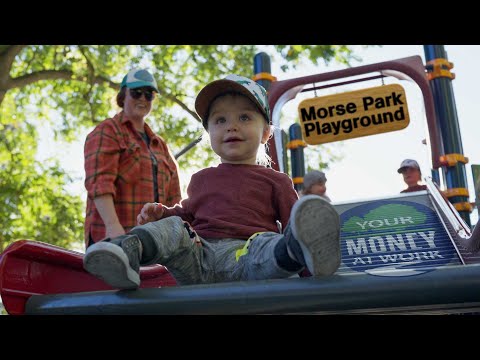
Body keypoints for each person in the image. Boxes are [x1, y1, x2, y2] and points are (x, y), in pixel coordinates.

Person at [83, 74, 341, 289]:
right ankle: (127, 254)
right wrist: (163, 213)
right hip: (198, 259)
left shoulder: (276, 181)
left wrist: (311, 278)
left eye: (244, 117)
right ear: (210, 135)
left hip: (245, 258)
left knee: (265, 243)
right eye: (220, 120)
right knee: (173, 226)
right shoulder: (201, 178)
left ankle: (302, 251)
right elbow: (186, 215)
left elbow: (291, 224)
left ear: (265, 133)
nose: (231, 126)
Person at [83, 68, 181, 248]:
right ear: (123, 96)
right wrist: (114, 230)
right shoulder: (108, 130)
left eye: (149, 94)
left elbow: (174, 200)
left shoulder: (160, 146)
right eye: (136, 93)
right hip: (114, 242)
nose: (143, 98)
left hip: (154, 246)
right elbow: (100, 183)